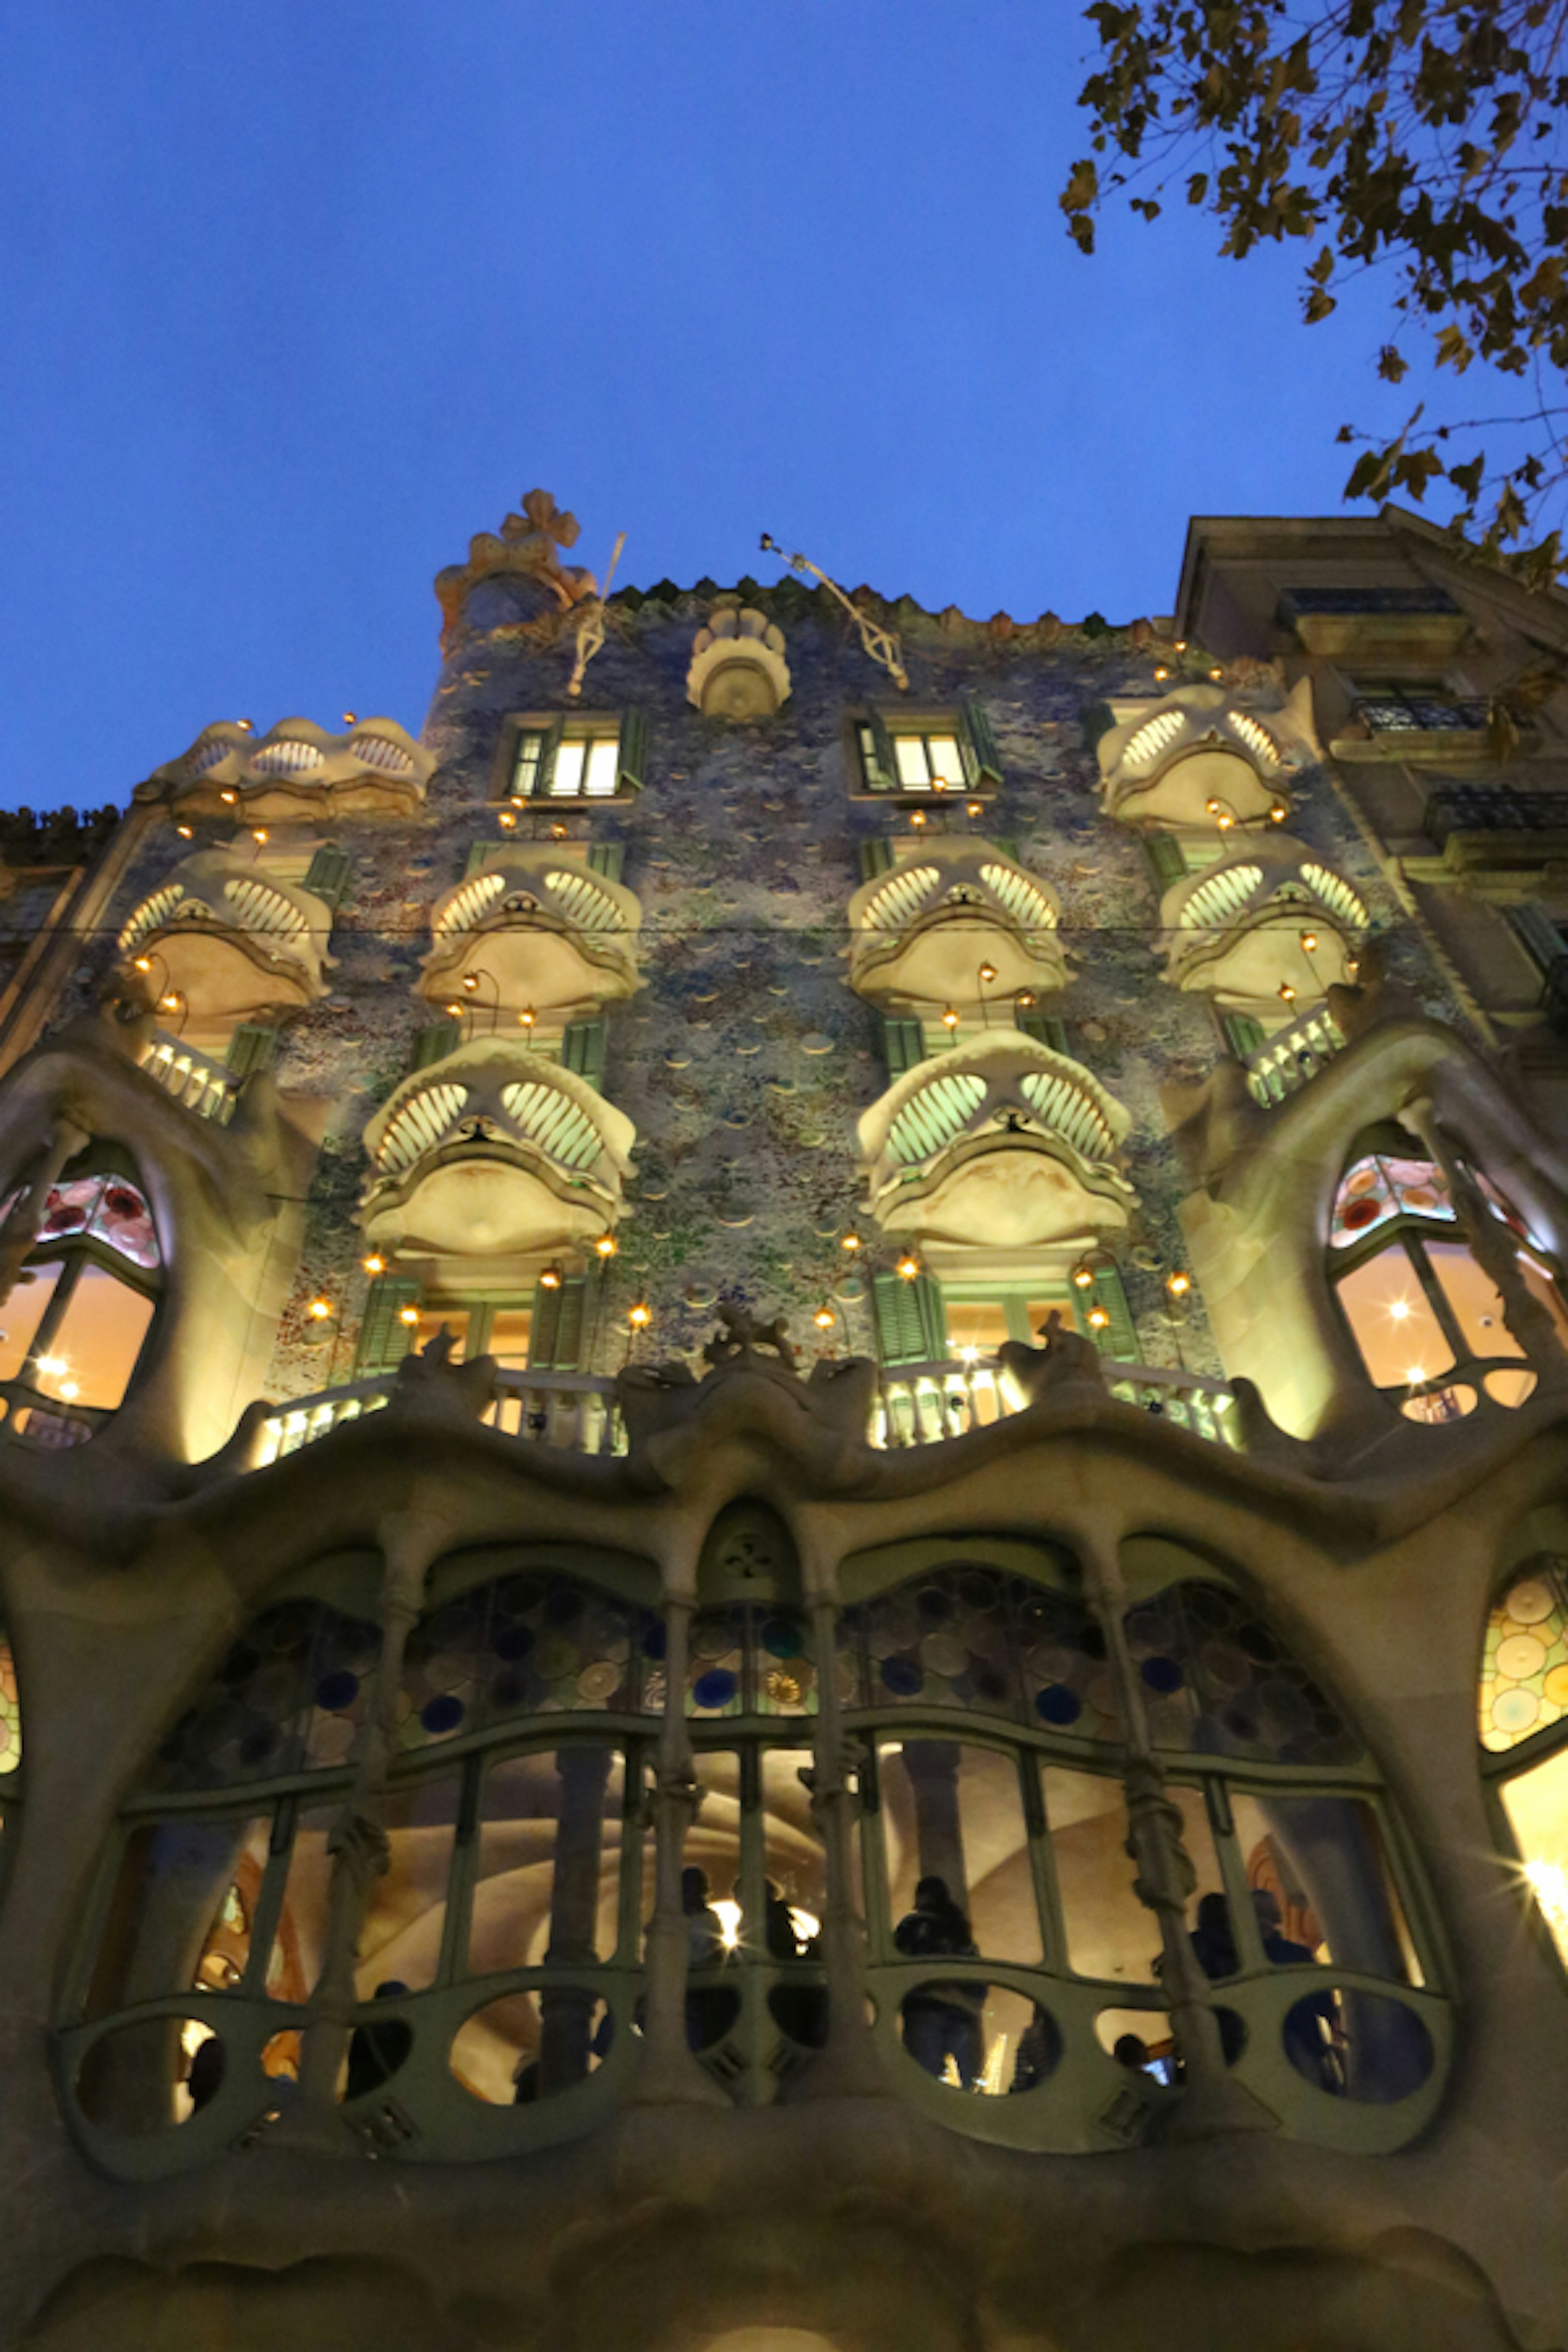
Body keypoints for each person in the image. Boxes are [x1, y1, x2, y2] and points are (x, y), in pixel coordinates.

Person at [894, 1875, 985, 2091]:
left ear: (922, 1897)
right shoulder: (961, 1930)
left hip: (926, 2008)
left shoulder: (913, 1926)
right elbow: (977, 1972)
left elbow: (896, 1960)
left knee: (925, 2084)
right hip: (964, 2012)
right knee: (971, 2086)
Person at [682, 1866, 730, 2051]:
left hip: (701, 1982)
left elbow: (715, 1949)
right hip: (688, 1978)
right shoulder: (708, 1919)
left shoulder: (709, 1919)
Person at [345, 1980, 414, 2101]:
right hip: (391, 2101)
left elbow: (354, 2065)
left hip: (360, 2099)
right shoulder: (406, 2031)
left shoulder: (364, 2030)